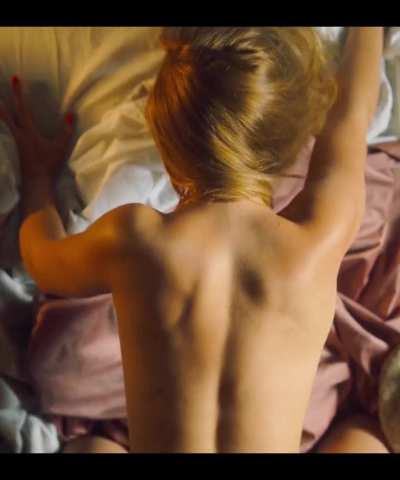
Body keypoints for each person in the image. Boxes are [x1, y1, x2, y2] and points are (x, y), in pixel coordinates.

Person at [0, 27, 384, 453]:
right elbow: (352, 114)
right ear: (289, 148)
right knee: (367, 437)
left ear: (166, 141)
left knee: (91, 448)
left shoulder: (135, 240)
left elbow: (39, 257)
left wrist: (38, 178)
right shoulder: (319, 240)